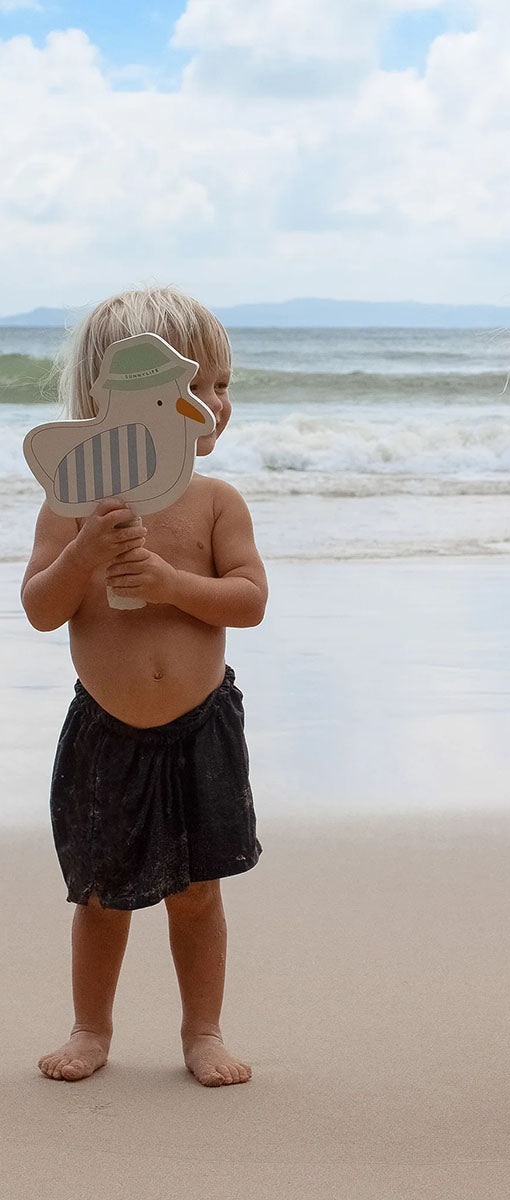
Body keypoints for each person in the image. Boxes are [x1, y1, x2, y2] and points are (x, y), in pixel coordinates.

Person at [21, 286, 267, 1087]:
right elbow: (40, 609)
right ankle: (90, 1028)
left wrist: (169, 584)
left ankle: (203, 1031)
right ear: (108, 401)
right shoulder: (73, 505)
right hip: (107, 728)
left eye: (221, 384)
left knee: (196, 893)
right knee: (101, 895)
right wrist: (83, 555)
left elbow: (249, 601)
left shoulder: (216, 503)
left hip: (200, 725)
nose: (212, 403)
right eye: (194, 385)